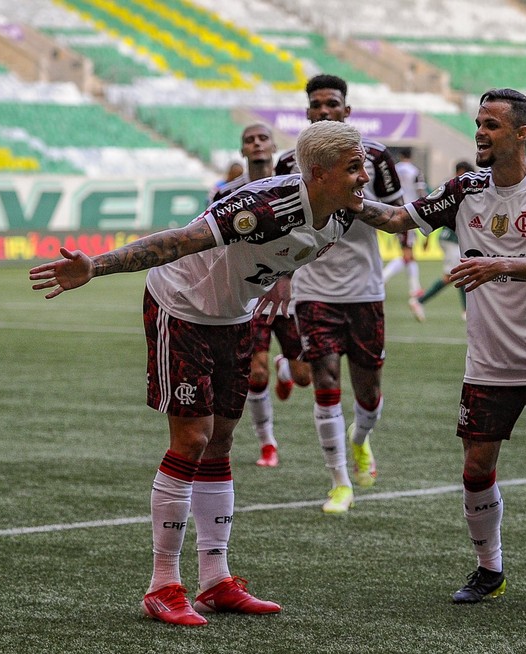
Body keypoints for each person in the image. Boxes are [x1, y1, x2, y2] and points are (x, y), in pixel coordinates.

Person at [28, 120, 415, 627]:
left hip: (235, 315)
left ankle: (215, 580)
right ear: (318, 173)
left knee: (222, 442)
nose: (365, 175)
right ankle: (162, 585)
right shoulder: (265, 205)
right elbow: (179, 242)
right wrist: (95, 266)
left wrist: (461, 198)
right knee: (192, 437)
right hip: (181, 306)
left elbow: (391, 218)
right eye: (354, 167)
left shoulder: (344, 209)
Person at [353, 89, 526, 610]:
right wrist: (345, 200)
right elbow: (402, 220)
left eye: (491, 124)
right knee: (475, 466)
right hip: (488, 360)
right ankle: (491, 570)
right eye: (478, 123)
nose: (480, 133)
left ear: (520, 133)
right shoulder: (465, 188)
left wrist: (497, 265)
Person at [274, 74, 404, 514]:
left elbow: (398, 214)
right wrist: (281, 275)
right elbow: (279, 231)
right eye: (316, 104)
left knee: (368, 392)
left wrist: (355, 202)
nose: (324, 110)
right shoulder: (287, 164)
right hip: (312, 290)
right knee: (325, 380)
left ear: (347, 111)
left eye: (332, 103)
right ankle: (339, 482)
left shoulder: (376, 158)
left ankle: (360, 439)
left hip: (364, 289)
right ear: (307, 112)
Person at [215, 123, 312, 467]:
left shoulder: (294, 189)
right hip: (250, 296)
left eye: (262, 139)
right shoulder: (225, 195)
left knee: (305, 377)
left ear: (273, 147)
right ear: (242, 150)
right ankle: (267, 443)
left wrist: (286, 273)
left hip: (290, 296)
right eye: (249, 141)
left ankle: (285, 367)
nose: (256, 144)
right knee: (255, 375)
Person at [408, 160, 474, 322]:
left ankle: (466, 310)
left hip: (452, 238)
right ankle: (419, 301)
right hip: (451, 239)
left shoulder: (457, 189)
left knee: (461, 273)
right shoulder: (456, 190)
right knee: (452, 275)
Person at [382, 147, 426, 316]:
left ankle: (415, 288)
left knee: (410, 254)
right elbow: (421, 192)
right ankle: (382, 279)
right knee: (407, 255)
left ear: (401, 156)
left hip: (395, 211)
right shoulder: (415, 171)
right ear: (411, 155)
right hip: (410, 213)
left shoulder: (394, 169)